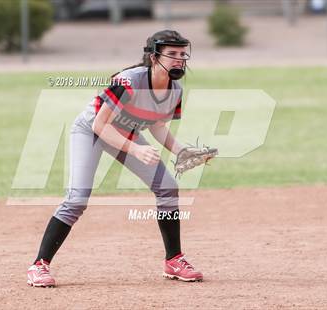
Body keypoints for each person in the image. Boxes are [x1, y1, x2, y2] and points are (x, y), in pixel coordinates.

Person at [27, 30, 206, 287]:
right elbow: (101, 125)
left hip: (126, 133)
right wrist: (136, 150)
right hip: (90, 131)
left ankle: (174, 260)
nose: (179, 59)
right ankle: (39, 265)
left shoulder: (174, 90)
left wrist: (180, 151)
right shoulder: (128, 81)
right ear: (154, 57)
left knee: (167, 187)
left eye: (182, 54)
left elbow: (156, 125)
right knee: (77, 200)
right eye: (172, 54)